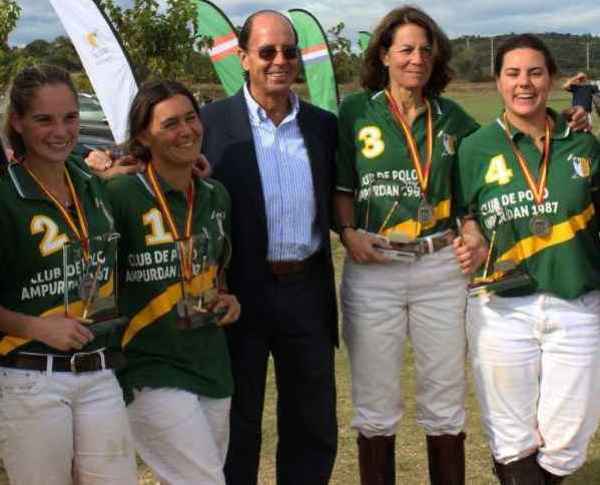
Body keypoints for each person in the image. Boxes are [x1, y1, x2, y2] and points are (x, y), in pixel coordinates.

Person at [334, 7, 486, 484]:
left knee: (444, 401)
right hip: (373, 266)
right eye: (405, 49)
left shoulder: (454, 117)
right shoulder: (356, 111)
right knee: (375, 404)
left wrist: (473, 225)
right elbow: (342, 189)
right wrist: (347, 232)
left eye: (425, 49)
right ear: (384, 55)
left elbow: (487, 174)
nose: (416, 58)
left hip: (438, 268)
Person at [199, 10, 338, 485]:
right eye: (267, 51)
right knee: (238, 424)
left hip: (307, 291)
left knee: (312, 423)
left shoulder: (323, 126)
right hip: (240, 294)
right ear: (242, 58)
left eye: (289, 51)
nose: (280, 61)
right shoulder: (209, 123)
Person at [456, 34, 600, 484]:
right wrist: (470, 231)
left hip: (576, 301)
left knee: (565, 445)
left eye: (535, 73)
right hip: (501, 305)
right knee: (512, 440)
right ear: (498, 81)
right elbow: (465, 212)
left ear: (552, 80)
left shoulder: (584, 145)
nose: (525, 83)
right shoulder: (475, 148)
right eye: (513, 73)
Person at [0, 64, 137, 484]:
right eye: (44, 119)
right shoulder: (5, 193)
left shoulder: (89, 184)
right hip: (30, 376)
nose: (60, 131)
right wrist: (36, 326)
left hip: (98, 370)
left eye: (70, 117)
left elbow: (142, 167)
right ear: (17, 122)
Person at [105, 80, 240, 484]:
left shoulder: (216, 196)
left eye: (191, 118)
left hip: (209, 361)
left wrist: (229, 301)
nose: (186, 131)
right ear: (144, 134)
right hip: (148, 364)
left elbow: (218, 275)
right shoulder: (120, 194)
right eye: (170, 124)